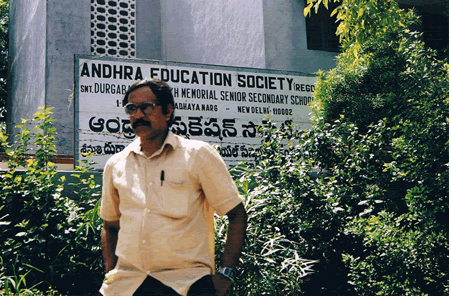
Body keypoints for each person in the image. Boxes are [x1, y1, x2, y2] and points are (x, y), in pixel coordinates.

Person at [99, 79, 247, 296]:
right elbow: (111, 226)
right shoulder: (116, 164)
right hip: (127, 286)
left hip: (186, 284)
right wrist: (111, 272)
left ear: (168, 111)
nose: (138, 115)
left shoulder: (197, 155)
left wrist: (226, 274)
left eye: (146, 108)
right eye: (132, 109)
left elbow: (236, 214)